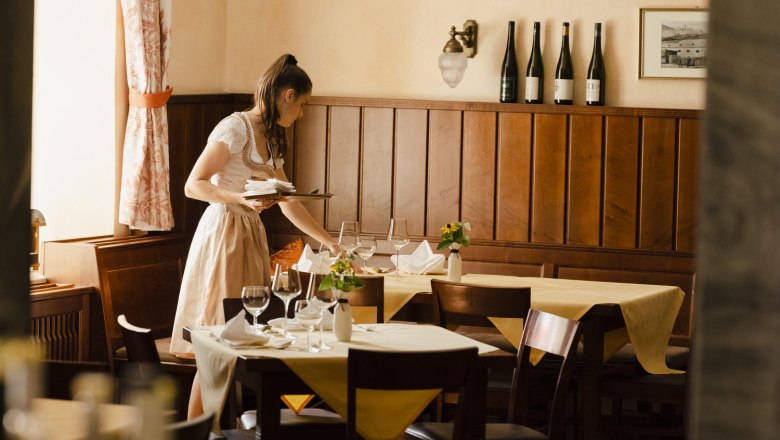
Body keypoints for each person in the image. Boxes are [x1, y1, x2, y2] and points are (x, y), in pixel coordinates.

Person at [169, 54, 338, 418]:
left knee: (249, 338)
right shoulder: (233, 128)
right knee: (217, 346)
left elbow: (287, 201)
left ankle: (231, 426)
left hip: (249, 234)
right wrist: (240, 197)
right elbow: (193, 185)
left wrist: (329, 241)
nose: (303, 114)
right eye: (303, 104)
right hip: (224, 232)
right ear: (288, 95)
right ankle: (199, 431)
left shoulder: (273, 139)